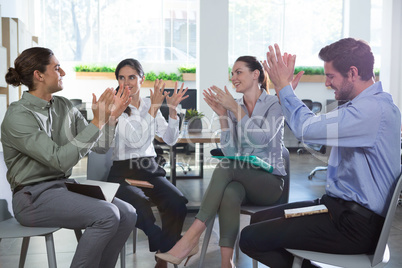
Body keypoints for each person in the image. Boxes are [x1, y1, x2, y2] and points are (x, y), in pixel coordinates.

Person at [239, 38, 401, 268]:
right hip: (337, 209)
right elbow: (312, 125)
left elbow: (308, 130)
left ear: (352, 73)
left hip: (353, 226)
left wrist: (283, 89)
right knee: (258, 219)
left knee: (250, 238)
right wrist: (284, 96)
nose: (327, 83)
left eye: (331, 76)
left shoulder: (371, 111)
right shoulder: (366, 107)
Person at [1, 47, 137, 268]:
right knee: (107, 215)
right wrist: (97, 122)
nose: (62, 72)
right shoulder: (18, 116)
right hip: (31, 199)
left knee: (128, 212)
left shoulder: (64, 106)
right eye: (56, 67)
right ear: (39, 75)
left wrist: (111, 119)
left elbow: (100, 147)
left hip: (64, 188)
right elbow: (59, 160)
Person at [156, 56, 287, 268]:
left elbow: (261, 139)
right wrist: (223, 116)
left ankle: (191, 237)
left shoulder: (275, 105)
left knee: (226, 167)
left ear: (256, 74)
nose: (233, 77)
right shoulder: (235, 106)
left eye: (239, 72)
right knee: (230, 192)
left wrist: (235, 111)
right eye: (232, 73)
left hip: (270, 183)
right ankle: (227, 263)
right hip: (242, 179)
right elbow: (231, 151)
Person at [107, 58, 189, 268]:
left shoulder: (147, 103)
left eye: (132, 77)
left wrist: (171, 112)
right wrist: (154, 108)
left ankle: (163, 255)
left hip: (149, 168)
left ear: (141, 79)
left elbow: (169, 139)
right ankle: (168, 250)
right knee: (140, 206)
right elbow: (135, 140)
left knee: (177, 201)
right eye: (122, 77)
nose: (126, 83)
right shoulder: (114, 106)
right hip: (123, 172)